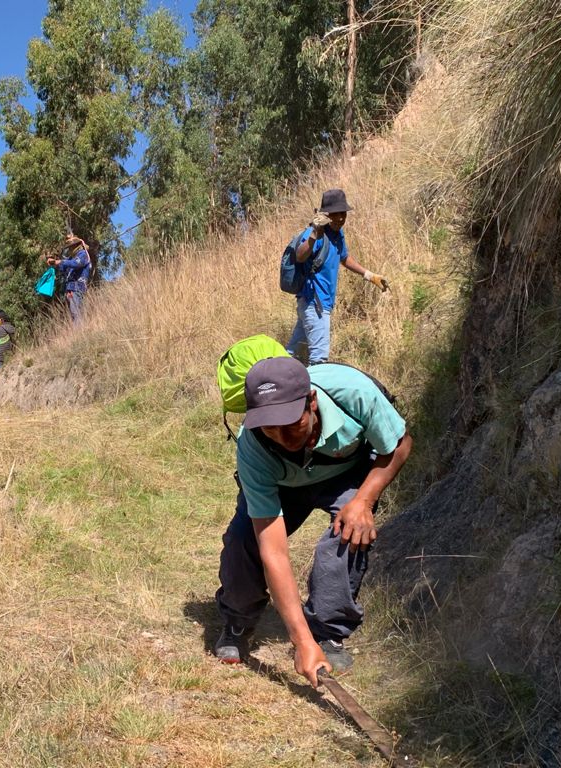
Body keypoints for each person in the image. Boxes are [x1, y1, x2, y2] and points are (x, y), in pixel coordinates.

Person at [214, 355, 412, 688]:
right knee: (242, 541)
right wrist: (298, 640)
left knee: (350, 532)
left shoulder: (354, 393)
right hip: (282, 484)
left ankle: (327, 633)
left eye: (292, 422)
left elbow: (399, 444)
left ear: (312, 402)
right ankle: (238, 621)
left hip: (346, 474)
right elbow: (274, 552)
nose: (280, 434)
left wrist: (363, 500)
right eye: (270, 426)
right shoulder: (253, 446)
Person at [286, 189, 389, 365]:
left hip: (314, 304)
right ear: (326, 214)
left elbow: (344, 257)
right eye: (335, 214)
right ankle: (312, 391)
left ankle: (275, 381)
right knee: (319, 359)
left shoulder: (337, 234)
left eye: (343, 213)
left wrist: (369, 275)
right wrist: (313, 234)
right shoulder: (315, 233)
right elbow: (299, 256)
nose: (340, 218)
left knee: (293, 355)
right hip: (315, 304)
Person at [46, 235, 92, 323]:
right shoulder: (72, 257)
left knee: (76, 312)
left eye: (71, 247)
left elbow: (75, 264)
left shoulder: (83, 254)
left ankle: (78, 333)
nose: (69, 250)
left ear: (76, 246)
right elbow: (64, 268)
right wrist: (55, 262)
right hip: (71, 288)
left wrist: (61, 261)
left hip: (77, 287)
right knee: (73, 312)